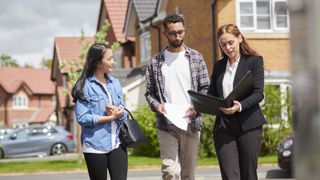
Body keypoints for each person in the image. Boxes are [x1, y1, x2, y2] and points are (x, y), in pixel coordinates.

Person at [145, 14, 210, 180]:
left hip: (191, 122)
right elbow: (149, 93)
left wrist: (197, 107)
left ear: (185, 30)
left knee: (188, 174)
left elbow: (205, 88)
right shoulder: (155, 62)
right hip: (166, 123)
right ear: (165, 33)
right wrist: (156, 105)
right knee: (170, 171)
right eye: (173, 33)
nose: (177, 36)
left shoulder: (196, 58)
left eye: (181, 32)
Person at [207, 24, 267, 180]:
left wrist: (239, 106)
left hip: (249, 125)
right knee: (230, 175)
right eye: (223, 44)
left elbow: (258, 93)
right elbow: (212, 94)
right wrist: (200, 102)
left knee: (248, 174)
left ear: (239, 38)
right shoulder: (219, 66)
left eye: (230, 42)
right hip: (223, 127)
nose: (227, 47)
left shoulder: (254, 61)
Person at [72, 43, 128, 180]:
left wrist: (119, 112)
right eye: (109, 59)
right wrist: (110, 118)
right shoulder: (84, 86)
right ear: (98, 62)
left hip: (117, 143)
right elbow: (82, 118)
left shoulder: (114, 82)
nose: (113, 62)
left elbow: (124, 111)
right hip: (95, 146)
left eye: (112, 58)